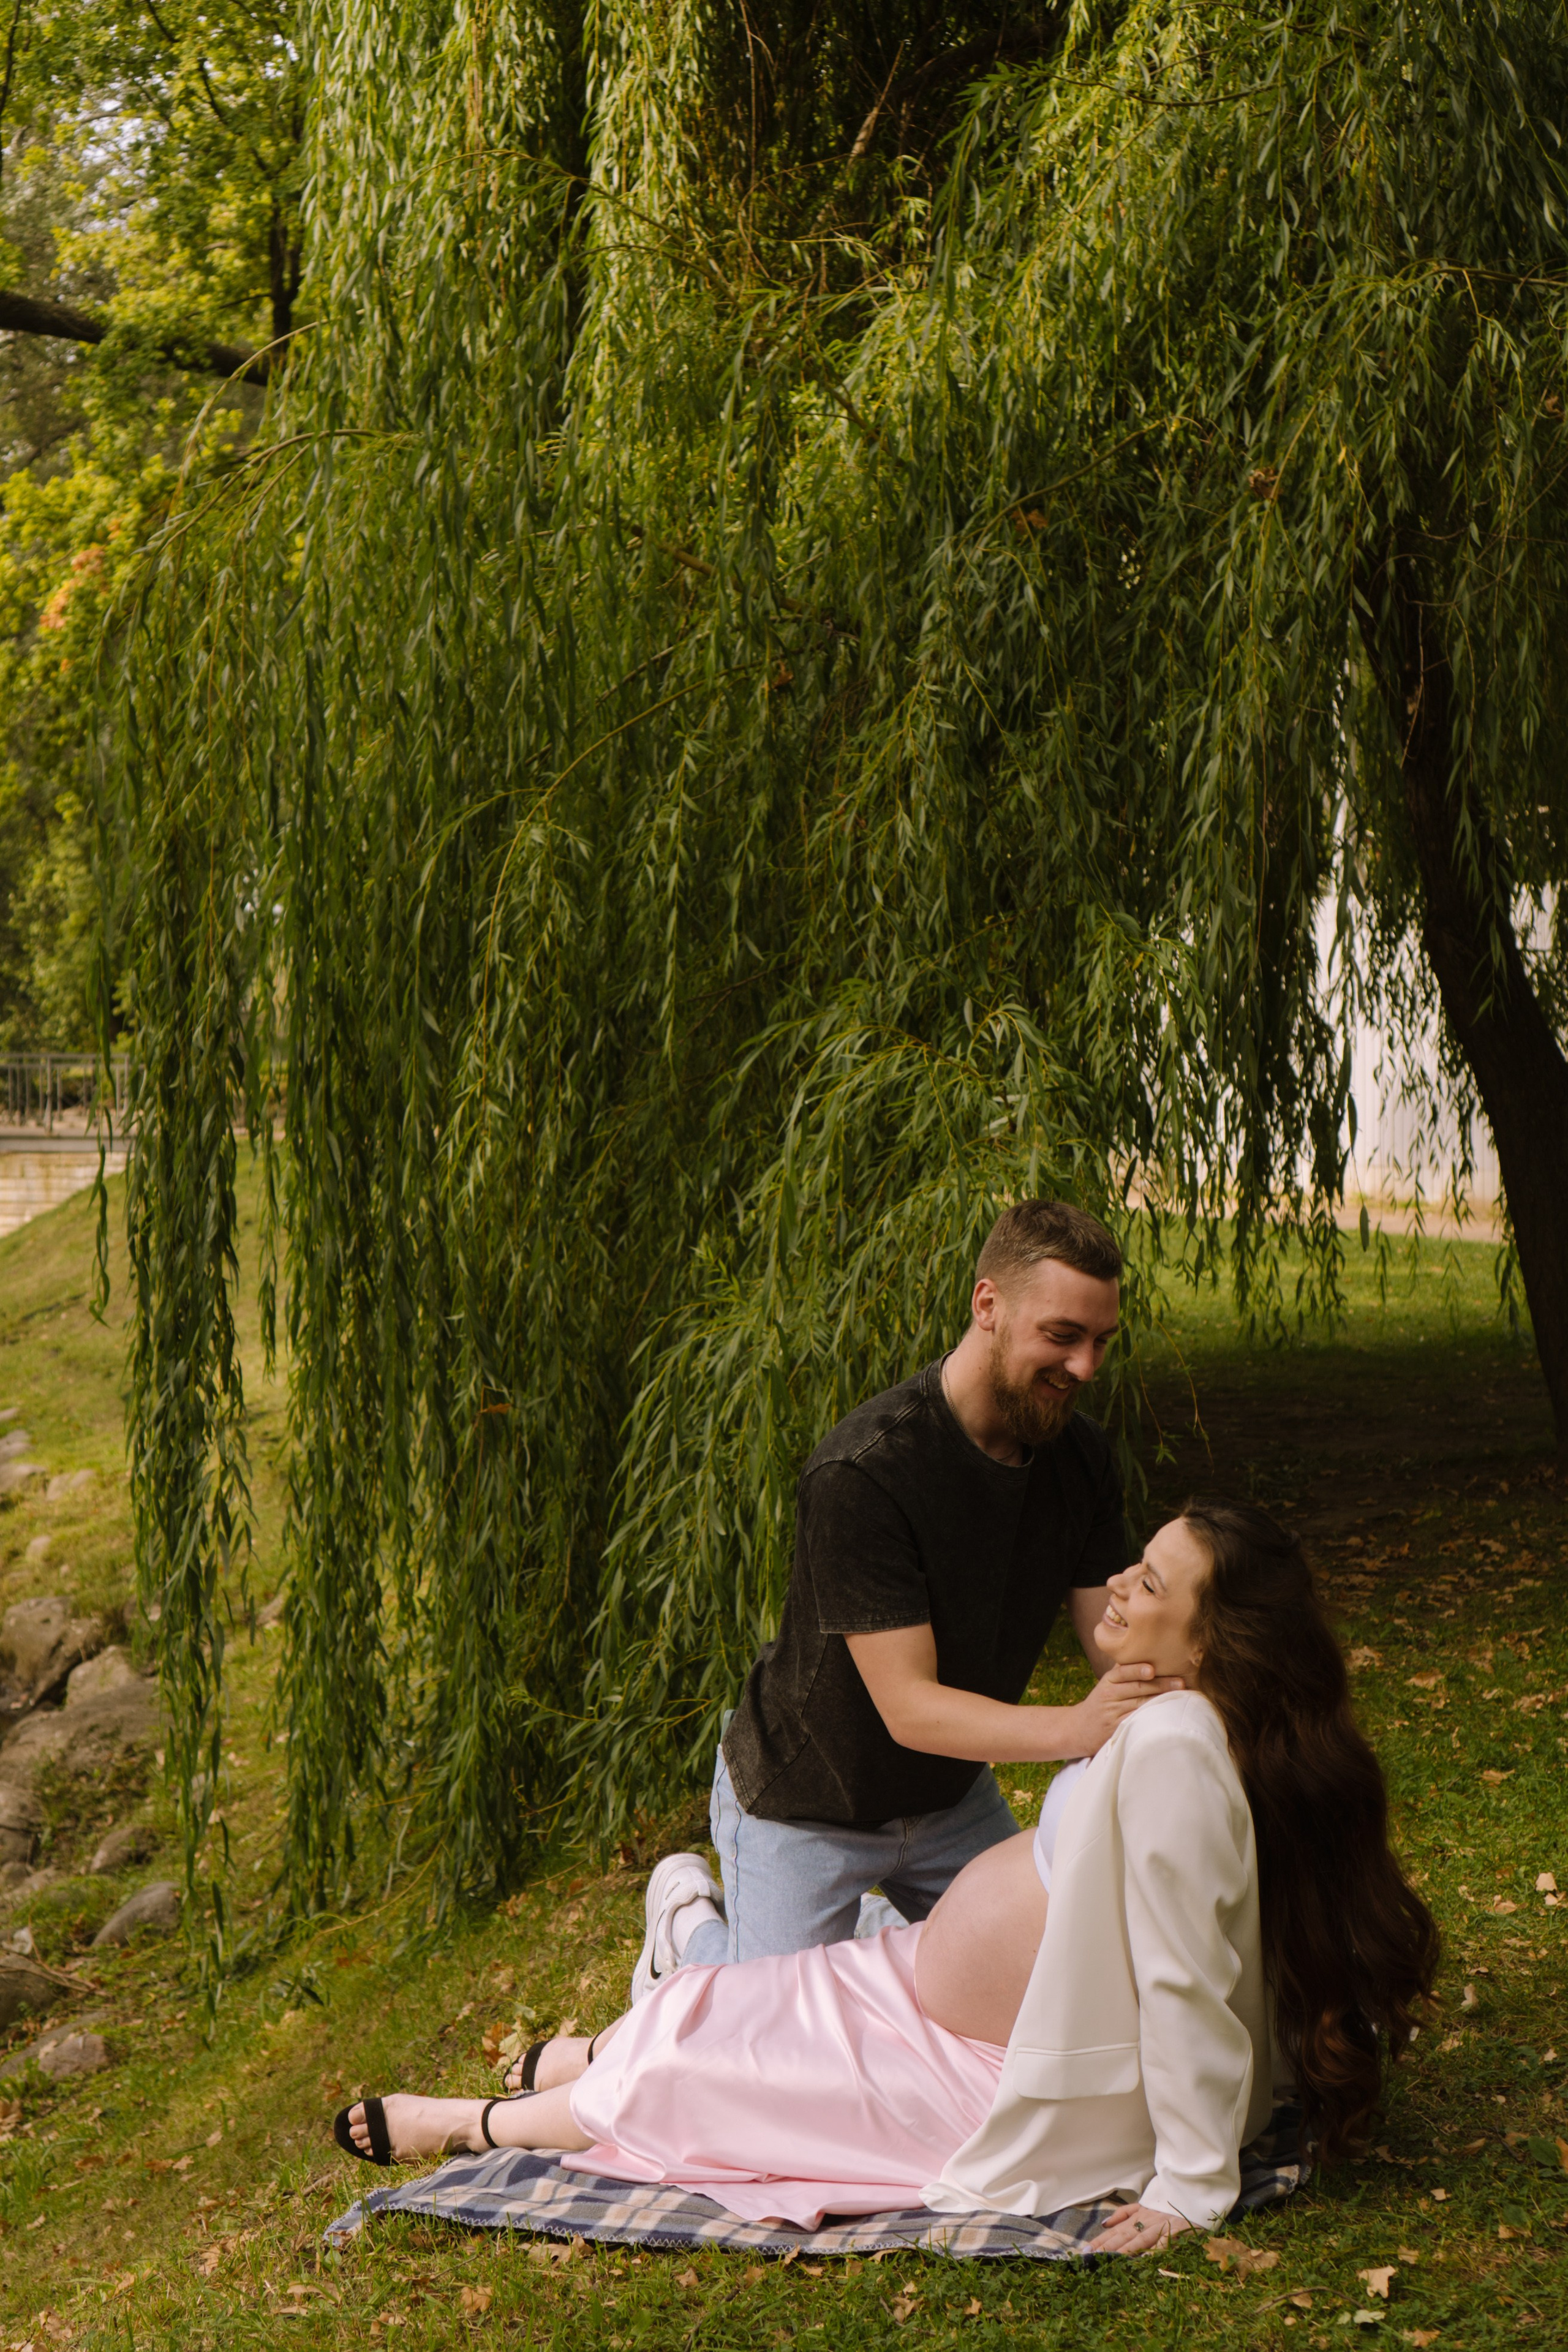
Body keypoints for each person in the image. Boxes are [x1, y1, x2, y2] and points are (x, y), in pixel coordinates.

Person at [334, 1501, 1439, 2253]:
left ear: (1215, 1639)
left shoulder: (1179, 1750)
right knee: (727, 2002)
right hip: (928, 1997)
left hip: (981, 2077)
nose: (1114, 1585)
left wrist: (1194, 2185)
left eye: (1148, 1582)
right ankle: (587, 2057)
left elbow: (1192, 1975)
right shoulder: (1173, 1718)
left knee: (706, 2081)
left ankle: (472, 2125)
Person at [621, 1199, 1183, 2011]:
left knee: (1060, 1991)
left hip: (951, 1798)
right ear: (987, 1305)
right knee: (766, 2048)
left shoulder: (1080, 1459)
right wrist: (1079, 1726)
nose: (1087, 1367)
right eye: (1063, 1336)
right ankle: (689, 1939)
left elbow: (1115, 1640)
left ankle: (864, 1935)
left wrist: (1193, 1694)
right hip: (809, 1803)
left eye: (1101, 1342)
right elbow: (910, 1708)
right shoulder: (866, 1472)